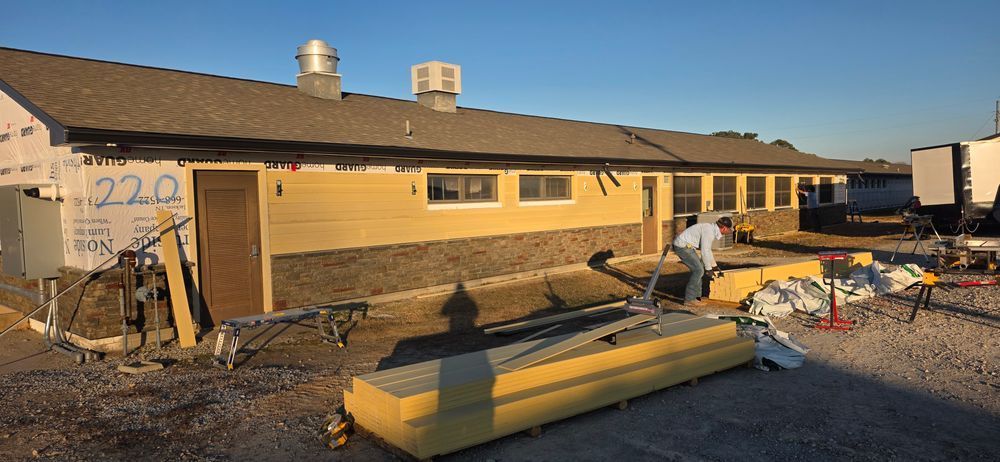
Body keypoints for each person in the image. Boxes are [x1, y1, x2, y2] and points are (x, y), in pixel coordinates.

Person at [672, 217, 733, 306]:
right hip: (681, 246)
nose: (728, 232)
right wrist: (708, 269)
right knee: (698, 270)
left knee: (699, 269)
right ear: (724, 228)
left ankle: (697, 298)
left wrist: (714, 265)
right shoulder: (709, 231)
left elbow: (708, 250)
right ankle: (689, 299)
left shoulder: (710, 229)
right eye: (728, 229)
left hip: (688, 246)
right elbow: (704, 251)